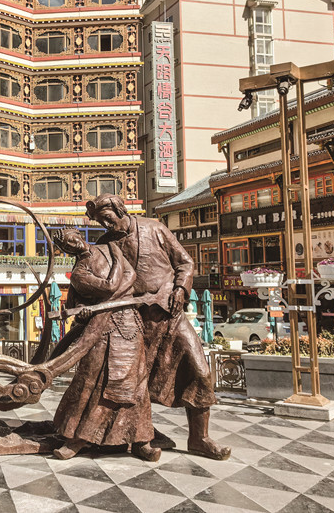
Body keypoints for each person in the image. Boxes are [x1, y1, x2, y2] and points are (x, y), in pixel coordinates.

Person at [86, 194, 231, 461]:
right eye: (100, 222)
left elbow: (185, 262)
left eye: (107, 218)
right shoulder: (105, 244)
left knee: (200, 371)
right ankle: (139, 437)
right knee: (135, 384)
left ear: (120, 210)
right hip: (134, 322)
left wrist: (180, 289)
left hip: (170, 314)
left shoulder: (154, 228)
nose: (105, 225)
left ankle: (199, 438)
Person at [50, 228, 159, 462]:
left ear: (78, 234)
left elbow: (131, 278)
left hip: (129, 324)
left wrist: (113, 291)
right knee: (91, 379)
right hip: (102, 327)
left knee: (136, 383)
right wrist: (118, 261)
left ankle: (141, 440)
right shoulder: (79, 273)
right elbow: (110, 285)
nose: (72, 244)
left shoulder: (107, 249)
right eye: (66, 245)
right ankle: (77, 437)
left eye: (72, 238)